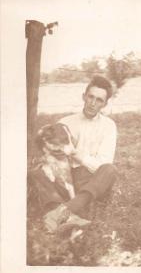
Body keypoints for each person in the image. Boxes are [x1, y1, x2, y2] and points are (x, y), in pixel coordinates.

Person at [43, 75, 117, 232]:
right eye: (90, 97)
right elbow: (53, 155)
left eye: (99, 100)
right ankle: (71, 216)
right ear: (84, 96)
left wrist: (75, 154)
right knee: (36, 173)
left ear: (104, 104)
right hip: (66, 177)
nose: (93, 103)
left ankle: (61, 212)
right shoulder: (65, 122)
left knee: (110, 170)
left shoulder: (109, 126)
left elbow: (103, 164)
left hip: (93, 180)